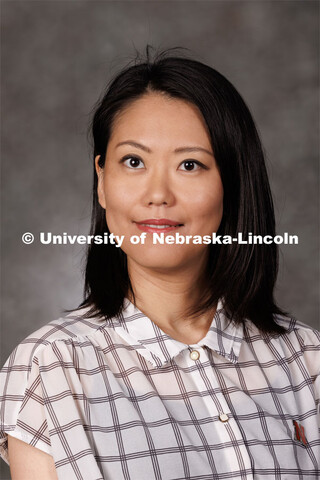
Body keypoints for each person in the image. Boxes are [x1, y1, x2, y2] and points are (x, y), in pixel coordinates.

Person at [1, 46, 319, 480]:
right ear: (102, 182)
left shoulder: (307, 359)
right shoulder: (50, 367)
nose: (158, 194)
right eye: (133, 162)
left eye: (190, 165)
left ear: (232, 184)